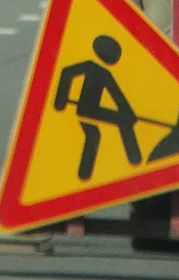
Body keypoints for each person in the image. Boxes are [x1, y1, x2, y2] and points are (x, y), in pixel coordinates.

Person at [52, 34, 141, 180]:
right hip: (88, 109)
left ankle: (84, 175)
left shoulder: (102, 72)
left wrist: (129, 112)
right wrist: (60, 100)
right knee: (114, 125)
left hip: (88, 110)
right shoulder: (93, 67)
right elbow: (66, 72)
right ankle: (135, 159)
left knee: (95, 134)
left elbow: (118, 96)